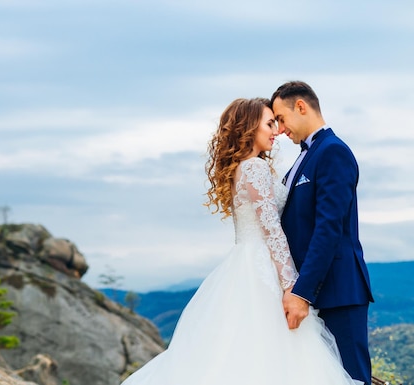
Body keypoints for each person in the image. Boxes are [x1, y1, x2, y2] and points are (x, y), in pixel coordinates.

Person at [120, 98, 357, 385]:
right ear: (249, 126)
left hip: (245, 263)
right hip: (262, 268)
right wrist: (292, 285)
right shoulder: (254, 168)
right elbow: (272, 230)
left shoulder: (244, 167)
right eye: (270, 123)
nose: (277, 131)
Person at [271, 81, 374, 385]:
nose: (279, 129)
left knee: (351, 378)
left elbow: (329, 227)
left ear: (300, 106)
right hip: (313, 291)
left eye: (280, 118)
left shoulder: (333, 152)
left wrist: (303, 292)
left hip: (338, 291)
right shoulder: (305, 156)